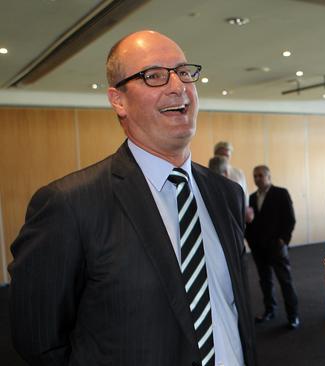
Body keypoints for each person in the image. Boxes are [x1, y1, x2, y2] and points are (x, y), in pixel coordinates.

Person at [8, 30, 256, 366]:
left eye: (183, 72)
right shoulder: (69, 205)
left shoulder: (226, 193)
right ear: (118, 100)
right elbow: (39, 342)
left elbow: (233, 310)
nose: (177, 86)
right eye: (154, 76)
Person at [245, 165, 300, 329]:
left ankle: (293, 316)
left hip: (276, 246)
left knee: (285, 281)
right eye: (255, 176)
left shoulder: (281, 193)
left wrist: (283, 240)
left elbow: (290, 219)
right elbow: (250, 222)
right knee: (265, 281)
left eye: (261, 175)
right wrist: (250, 240)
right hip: (258, 248)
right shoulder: (252, 197)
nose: (257, 178)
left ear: (269, 176)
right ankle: (269, 310)